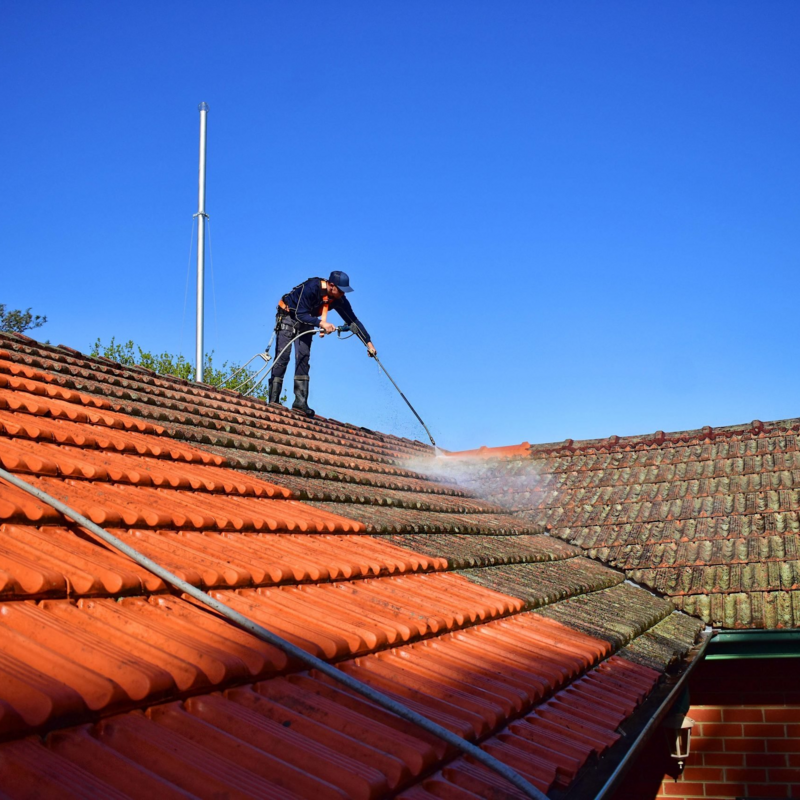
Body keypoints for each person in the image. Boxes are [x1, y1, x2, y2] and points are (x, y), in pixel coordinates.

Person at [268, 271, 376, 417]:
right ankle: (274, 401)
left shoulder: (339, 299)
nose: (343, 294)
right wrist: (321, 323)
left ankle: (300, 402)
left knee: (303, 357)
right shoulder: (311, 287)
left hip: (308, 321)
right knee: (283, 357)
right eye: (341, 290)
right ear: (331, 285)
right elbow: (300, 314)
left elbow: (353, 321)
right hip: (289, 316)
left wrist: (368, 343)